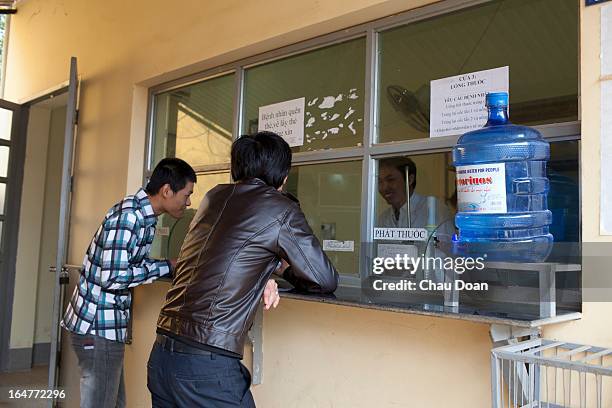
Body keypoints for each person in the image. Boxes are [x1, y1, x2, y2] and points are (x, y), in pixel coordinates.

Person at [147, 131, 339, 407]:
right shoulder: (280, 208)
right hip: (207, 365)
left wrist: (262, 277)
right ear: (282, 176)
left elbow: (223, 257)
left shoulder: (214, 197)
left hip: (163, 354)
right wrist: (281, 271)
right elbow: (324, 278)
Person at [61, 158, 196, 408]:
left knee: (114, 402)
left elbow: (128, 264)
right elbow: (112, 276)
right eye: (186, 195)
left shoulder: (145, 217)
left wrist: (167, 265)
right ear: (167, 191)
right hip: (97, 327)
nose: (188, 203)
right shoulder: (130, 216)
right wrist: (168, 265)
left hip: (105, 328)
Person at [377, 157, 454, 238]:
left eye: (390, 180)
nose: (384, 187)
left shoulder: (435, 210)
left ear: (409, 180)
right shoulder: (383, 218)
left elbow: (447, 248)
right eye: (379, 181)